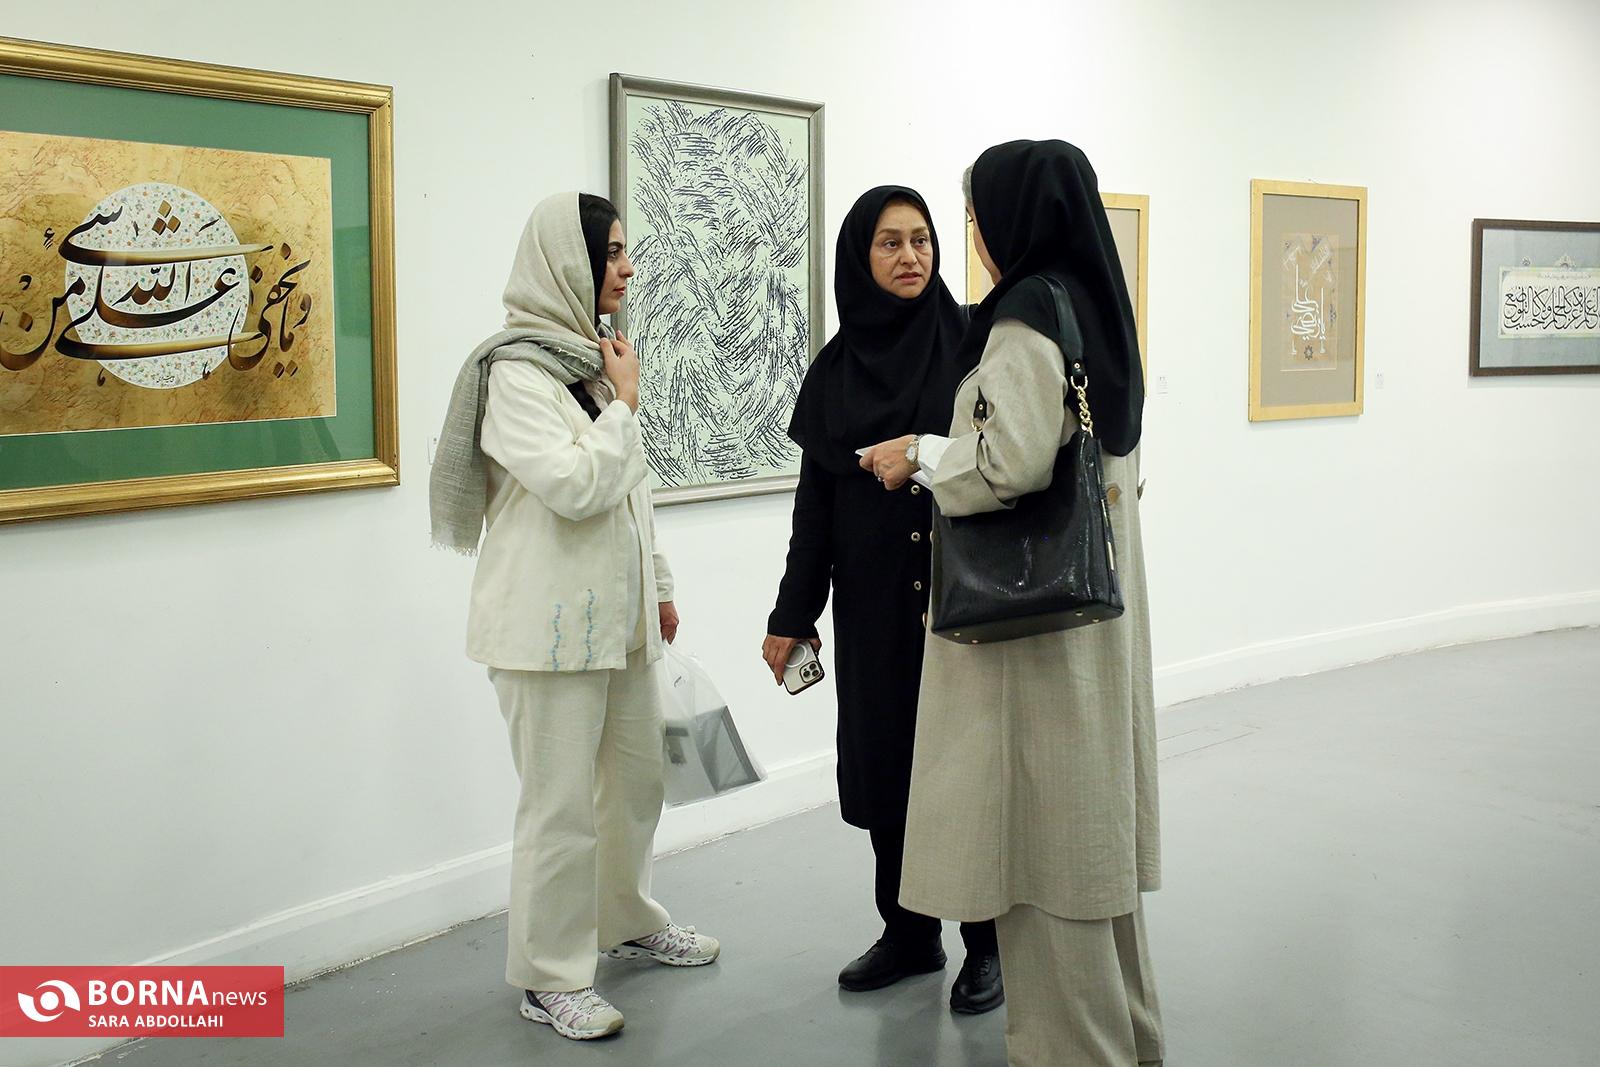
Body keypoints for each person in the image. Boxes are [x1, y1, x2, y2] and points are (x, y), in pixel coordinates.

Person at [860, 141, 1164, 1065]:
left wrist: (922, 453)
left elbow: (1011, 465)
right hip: (1093, 625)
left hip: (1037, 641)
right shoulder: (1095, 310)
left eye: (974, 217)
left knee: (1047, 861)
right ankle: (1132, 1042)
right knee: (1093, 860)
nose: (974, 237)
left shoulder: (1026, 317)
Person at [429, 191, 719, 1043]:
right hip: (545, 630)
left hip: (619, 618)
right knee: (557, 808)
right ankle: (549, 975)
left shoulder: (593, 359)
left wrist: (658, 582)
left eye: (626, 250)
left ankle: (625, 918)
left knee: (635, 782)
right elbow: (575, 483)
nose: (627, 267)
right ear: (567, 263)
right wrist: (625, 404)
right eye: (612, 252)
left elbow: (634, 490)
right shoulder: (515, 374)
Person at [764, 186, 1002, 1014]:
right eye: (890, 243)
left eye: (922, 239)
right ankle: (908, 931)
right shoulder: (835, 372)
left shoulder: (973, 345)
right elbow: (815, 511)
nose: (911, 257)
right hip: (871, 606)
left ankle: (987, 942)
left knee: (963, 769)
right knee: (888, 766)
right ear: (858, 259)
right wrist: (791, 614)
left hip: (962, 601)